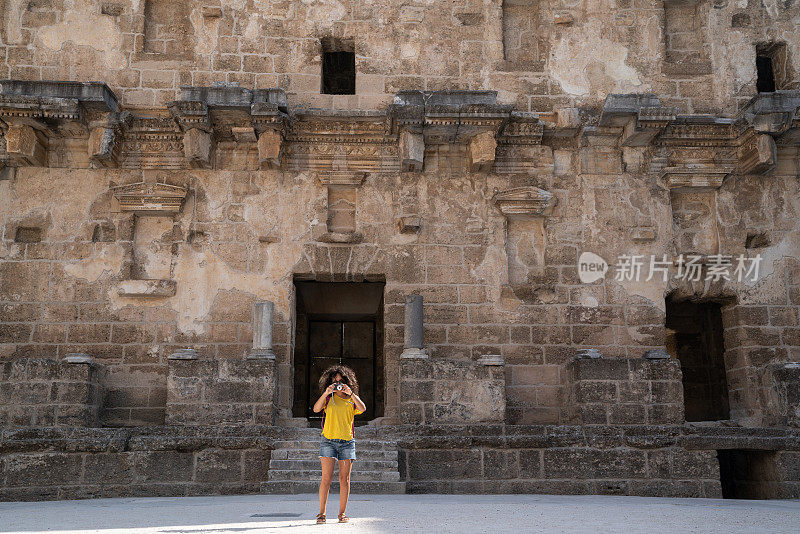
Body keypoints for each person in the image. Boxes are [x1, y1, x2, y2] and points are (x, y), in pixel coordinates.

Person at [312, 365, 366, 524]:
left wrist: (352, 394)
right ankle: (321, 514)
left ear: (348, 382)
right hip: (328, 441)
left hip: (347, 443)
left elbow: (363, 408)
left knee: (345, 480)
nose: (338, 384)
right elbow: (316, 409)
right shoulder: (329, 398)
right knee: (326, 479)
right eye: (334, 381)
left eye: (341, 381)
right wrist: (326, 393)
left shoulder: (351, 400)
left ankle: (342, 514)